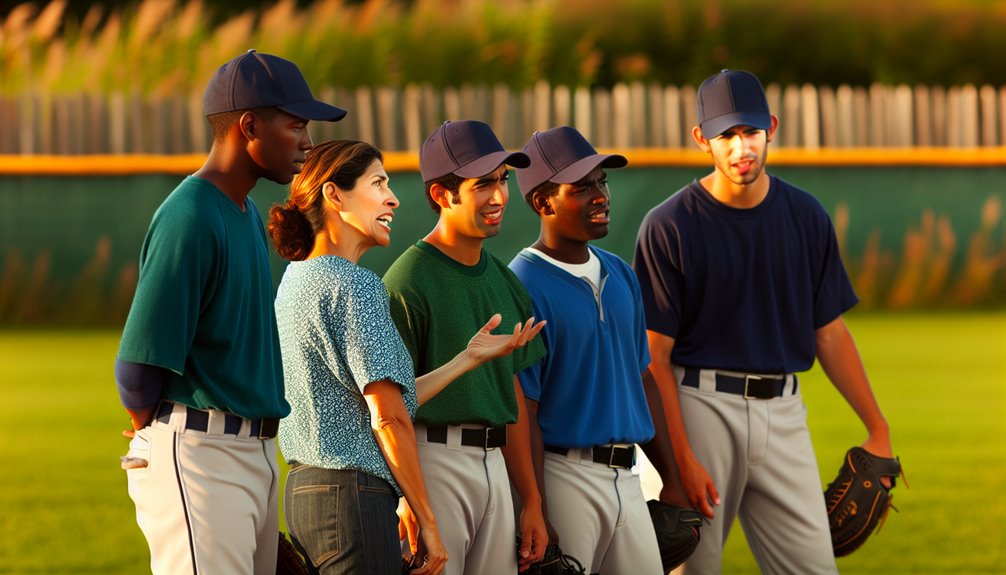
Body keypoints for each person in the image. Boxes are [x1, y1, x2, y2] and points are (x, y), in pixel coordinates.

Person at [632, 69, 895, 574]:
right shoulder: (670, 225)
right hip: (700, 408)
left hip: (785, 412)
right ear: (702, 139)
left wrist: (877, 428)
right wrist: (679, 462)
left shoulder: (806, 216)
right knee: (692, 566)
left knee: (814, 567)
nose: (741, 148)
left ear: (770, 127)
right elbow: (653, 358)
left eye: (750, 131)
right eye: (726, 135)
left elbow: (829, 332)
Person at [114, 50, 346, 574]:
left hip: (252, 454)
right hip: (202, 456)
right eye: (296, 125)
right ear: (249, 127)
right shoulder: (190, 214)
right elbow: (135, 370)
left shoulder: (244, 212)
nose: (308, 142)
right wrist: (164, 432)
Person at [268, 139, 545, 575]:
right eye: (377, 183)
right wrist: (427, 520)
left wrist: (467, 359)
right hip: (353, 497)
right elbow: (389, 418)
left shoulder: (296, 278)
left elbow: (387, 400)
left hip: (308, 491)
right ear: (334, 195)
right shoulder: (355, 285)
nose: (393, 198)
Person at [382, 120, 549, 575]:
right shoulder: (407, 281)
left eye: (503, 180)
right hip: (433, 462)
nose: (499, 197)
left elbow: (510, 394)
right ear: (442, 194)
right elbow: (385, 408)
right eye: (483, 185)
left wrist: (531, 500)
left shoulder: (505, 280)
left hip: (494, 465)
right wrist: (406, 495)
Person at [508, 126, 676, 574]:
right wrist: (535, 504)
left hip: (629, 478)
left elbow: (642, 379)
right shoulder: (521, 284)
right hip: (565, 476)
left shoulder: (621, 274)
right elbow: (524, 408)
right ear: (543, 202)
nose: (601, 196)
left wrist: (672, 479)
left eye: (602, 182)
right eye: (581, 188)